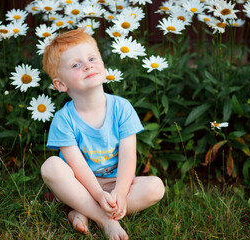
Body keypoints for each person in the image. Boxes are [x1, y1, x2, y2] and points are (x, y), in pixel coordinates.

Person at [41, 28, 165, 240]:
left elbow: (128, 156)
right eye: (75, 65)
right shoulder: (64, 119)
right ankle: (106, 220)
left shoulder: (122, 108)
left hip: (115, 182)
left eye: (92, 58)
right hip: (80, 184)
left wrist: (121, 192)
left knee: (156, 187)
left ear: (103, 66)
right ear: (61, 84)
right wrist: (98, 195)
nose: (87, 65)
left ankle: (82, 210)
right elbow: (78, 166)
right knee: (50, 167)